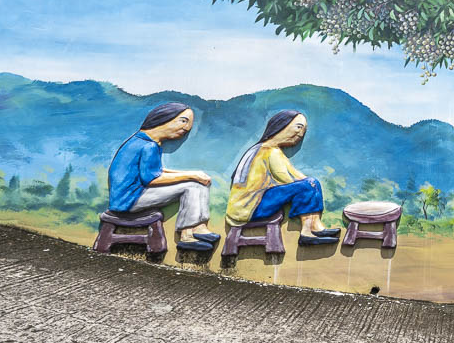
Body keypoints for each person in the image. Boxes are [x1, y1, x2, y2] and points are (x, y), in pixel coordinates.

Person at [107, 102, 216, 252]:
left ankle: (198, 226)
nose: (186, 128)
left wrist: (193, 174)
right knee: (191, 186)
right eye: (183, 121)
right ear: (163, 118)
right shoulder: (148, 146)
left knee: (197, 182)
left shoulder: (146, 142)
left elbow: (156, 171)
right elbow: (151, 179)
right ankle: (187, 234)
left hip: (133, 195)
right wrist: (191, 176)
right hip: (129, 199)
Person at [226, 110, 338, 245]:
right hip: (250, 207)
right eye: (298, 127)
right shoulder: (269, 151)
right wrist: (309, 184)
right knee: (308, 184)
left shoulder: (269, 149)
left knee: (311, 183)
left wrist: (311, 183)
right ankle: (307, 232)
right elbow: (286, 178)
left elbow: (295, 175)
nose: (301, 133)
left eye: (304, 130)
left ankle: (315, 226)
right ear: (281, 125)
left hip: (248, 205)